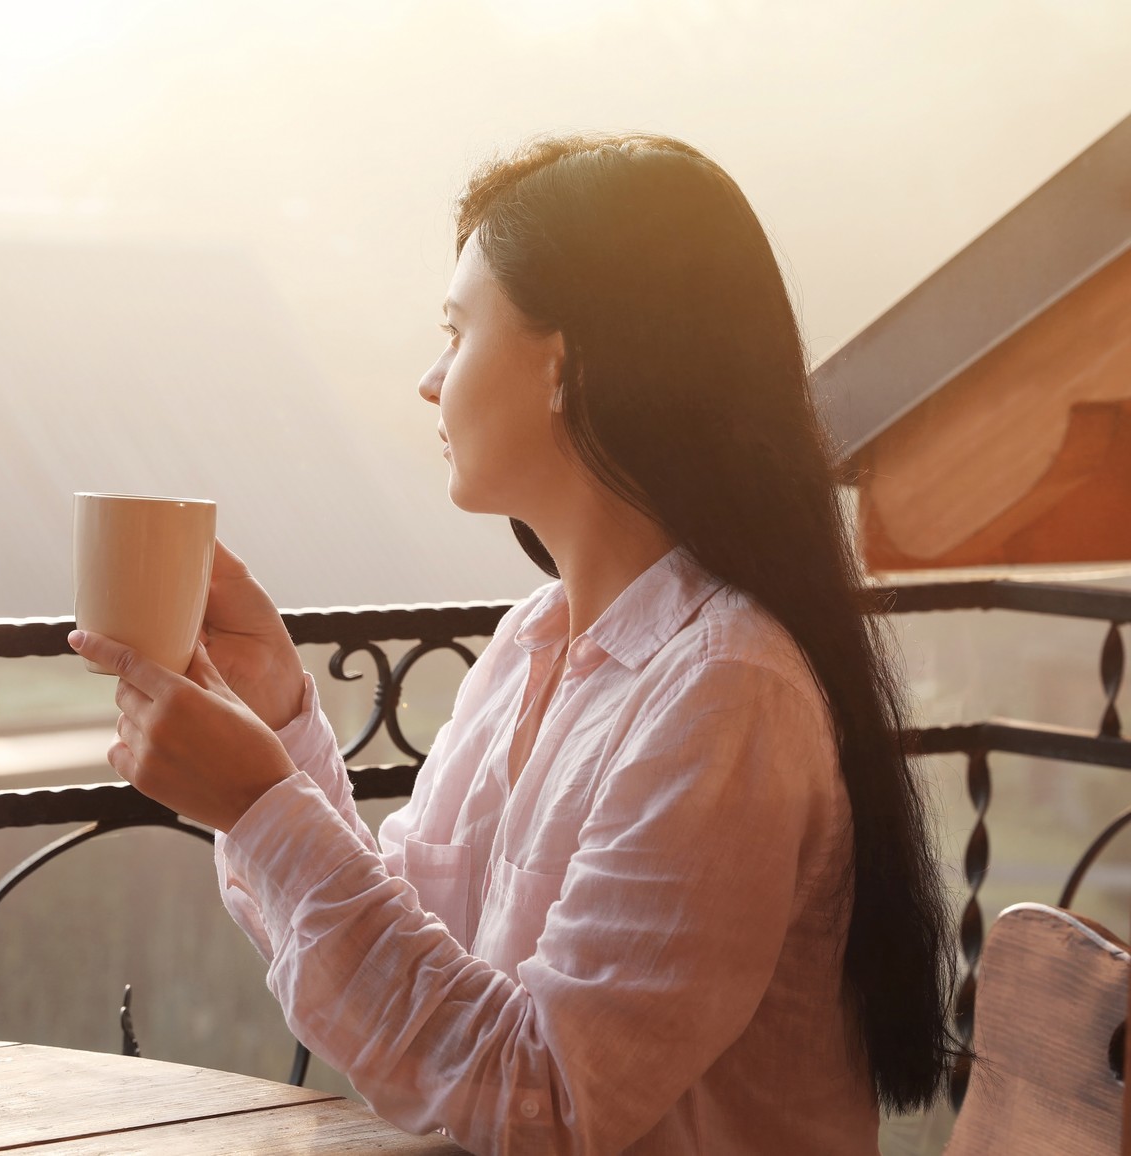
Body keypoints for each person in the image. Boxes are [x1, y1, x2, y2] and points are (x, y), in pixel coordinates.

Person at [68, 132, 955, 1154]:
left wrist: (262, 807)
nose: (429, 379)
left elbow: (542, 1099)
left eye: (456, 331)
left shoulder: (726, 689)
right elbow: (425, 957)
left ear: (561, 366)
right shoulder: (540, 636)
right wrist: (273, 721)